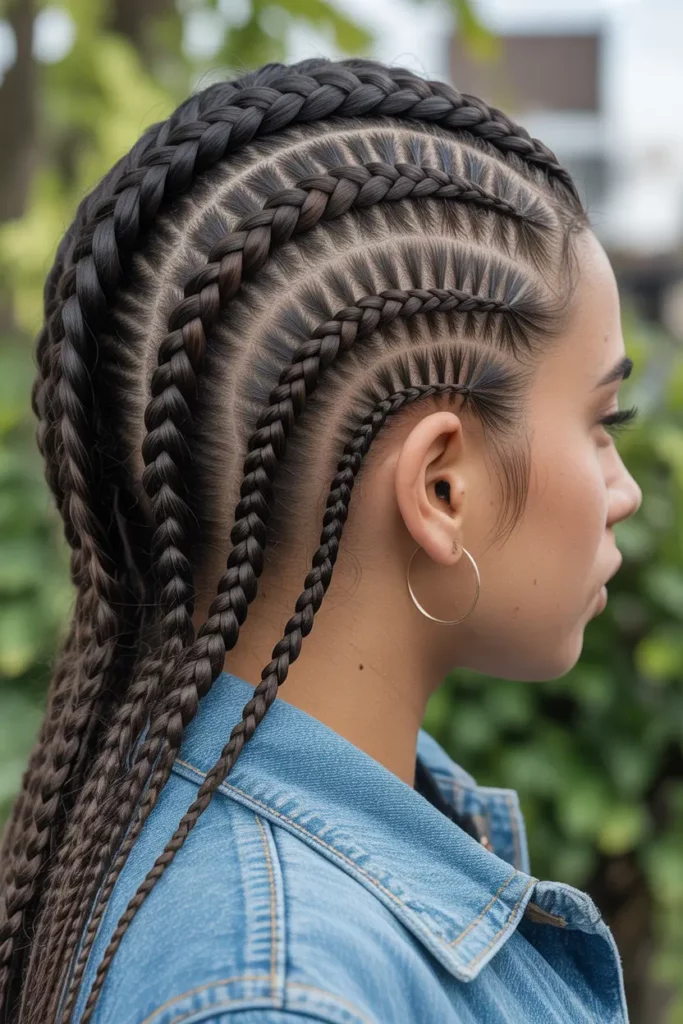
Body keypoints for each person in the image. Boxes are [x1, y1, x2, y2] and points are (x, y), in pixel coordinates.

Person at [0, 55, 643, 1024]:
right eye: (601, 422)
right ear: (439, 485)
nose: (621, 487)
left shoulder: (207, 845)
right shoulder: (282, 993)